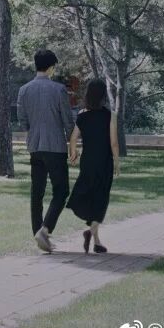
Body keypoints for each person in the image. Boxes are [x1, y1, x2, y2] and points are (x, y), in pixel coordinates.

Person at [16, 49, 74, 253]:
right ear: (51, 67)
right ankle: (45, 230)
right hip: (55, 147)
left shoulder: (24, 90)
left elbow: (22, 120)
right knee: (61, 190)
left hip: (35, 146)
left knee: (37, 191)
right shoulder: (58, 90)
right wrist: (73, 144)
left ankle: (38, 233)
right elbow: (67, 120)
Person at [67, 77, 120, 253]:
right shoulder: (110, 116)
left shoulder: (82, 115)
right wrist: (117, 162)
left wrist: (73, 153)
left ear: (88, 95)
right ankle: (91, 233)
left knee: (89, 195)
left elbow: (73, 138)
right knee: (101, 198)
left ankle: (96, 241)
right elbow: (114, 143)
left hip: (88, 162)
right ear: (103, 95)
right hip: (104, 162)